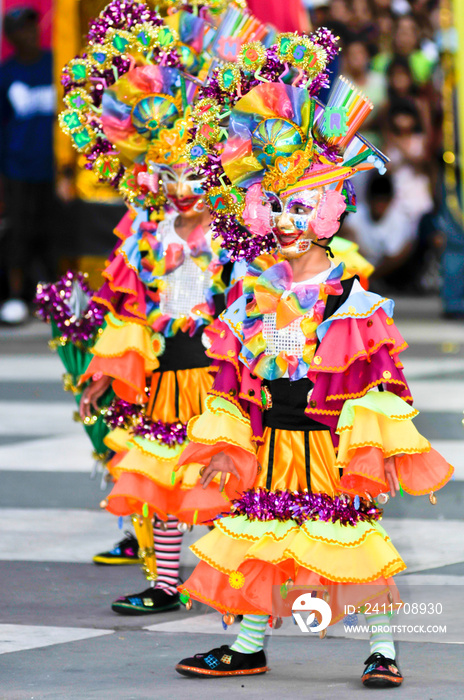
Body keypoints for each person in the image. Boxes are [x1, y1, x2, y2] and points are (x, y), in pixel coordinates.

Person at [162, 34, 453, 687]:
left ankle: (383, 651)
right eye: (279, 207)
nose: (288, 221)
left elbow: (377, 381)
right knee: (261, 536)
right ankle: (247, 644)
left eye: (302, 207)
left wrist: (361, 443)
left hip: (325, 443)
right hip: (274, 439)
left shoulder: (351, 297)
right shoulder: (254, 290)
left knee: (352, 543)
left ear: (325, 212)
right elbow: (235, 373)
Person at [0, 7, 56, 324]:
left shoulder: (55, 65)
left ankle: (52, 297)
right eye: (22, 29)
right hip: (17, 169)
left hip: (53, 169)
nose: (31, 33)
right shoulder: (6, 74)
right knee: (18, 233)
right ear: (10, 36)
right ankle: (15, 297)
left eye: (33, 27)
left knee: (51, 233)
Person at [343, 172, 416, 284]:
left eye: (384, 201)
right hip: (361, 265)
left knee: (408, 246)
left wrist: (370, 276)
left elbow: (393, 257)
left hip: (388, 272)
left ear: (390, 200)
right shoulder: (357, 214)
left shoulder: (399, 219)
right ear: (369, 200)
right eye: (376, 200)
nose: (379, 206)